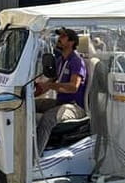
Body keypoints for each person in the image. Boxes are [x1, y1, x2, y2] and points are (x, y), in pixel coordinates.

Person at [34, 27, 87, 157]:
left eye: (63, 37)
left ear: (71, 42)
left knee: (47, 119)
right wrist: (31, 93)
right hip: (60, 103)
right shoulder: (60, 61)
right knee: (30, 105)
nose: (59, 39)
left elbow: (73, 87)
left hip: (74, 106)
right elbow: (48, 84)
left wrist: (51, 85)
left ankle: (33, 159)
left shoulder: (76, 61)